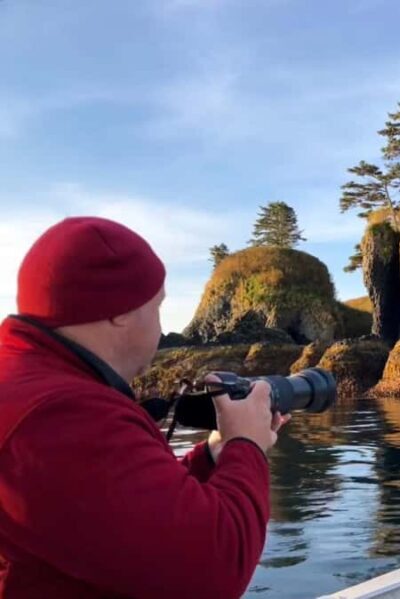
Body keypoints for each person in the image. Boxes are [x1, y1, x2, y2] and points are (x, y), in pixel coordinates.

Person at [0, 216, 289, 598]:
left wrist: (214, 456)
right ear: (118, 312)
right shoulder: (61, 416)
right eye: (157, 308)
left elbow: (110, 515)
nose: (160, 327)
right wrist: (248, 447)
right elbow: (212, 570)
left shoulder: (29, 386)